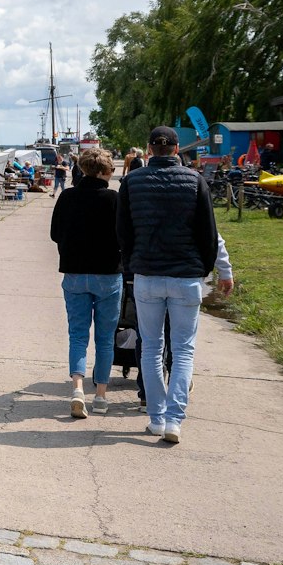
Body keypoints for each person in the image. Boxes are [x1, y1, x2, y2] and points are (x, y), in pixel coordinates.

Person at [117, 126, 224, 445]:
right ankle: (175, 419)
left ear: (149, 150)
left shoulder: (131, 182)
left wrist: (132, 269)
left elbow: (123, 232)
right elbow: (208, 233)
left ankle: (156, 417)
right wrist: (203, 270)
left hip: (147, 274)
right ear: (177, 150)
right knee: (183, 349)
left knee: (150, 348)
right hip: (186, 275)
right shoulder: (195, 181)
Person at [51, 147, 121, 417]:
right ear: (105, 172)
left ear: (81, 169)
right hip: (108, 275)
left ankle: (77, 388)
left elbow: (55, 233)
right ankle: (101, 396)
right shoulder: (114, 199)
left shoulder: (68, 197)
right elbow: (124, 236)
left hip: (75, 273)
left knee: (78, 334)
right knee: (104, 338)